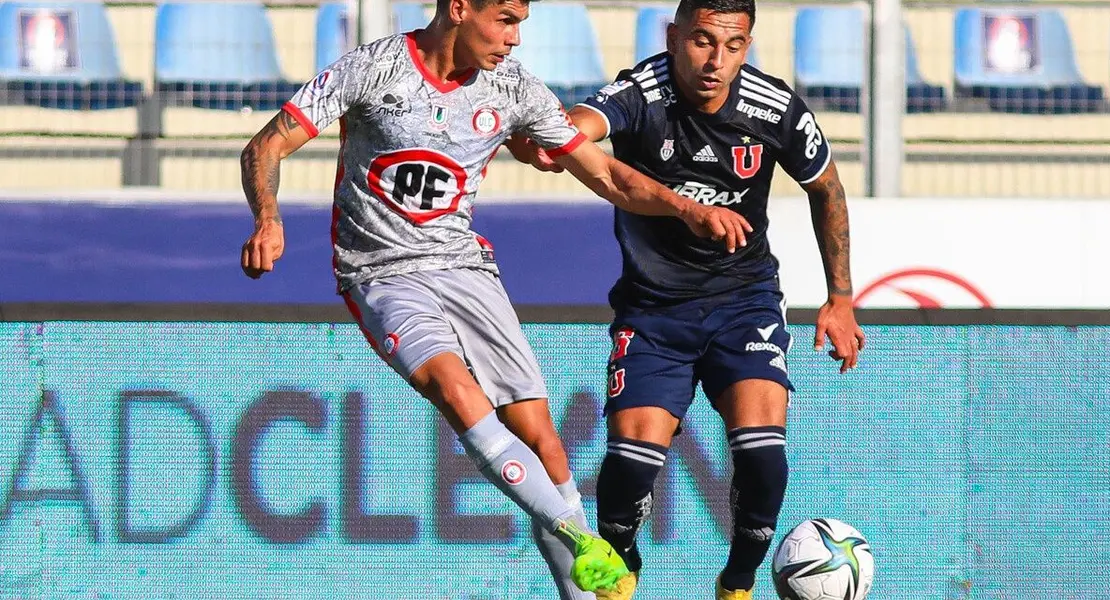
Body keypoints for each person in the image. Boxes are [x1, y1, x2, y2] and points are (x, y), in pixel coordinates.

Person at [236, 0, 753, 596]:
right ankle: (584, 542)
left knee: (545, 443)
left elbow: (606, 176)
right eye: (505, 19)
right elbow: (265, 146)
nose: (514, 38)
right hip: (383, 272)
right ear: (459, 8)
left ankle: (580, 585)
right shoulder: (370, 70)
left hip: (465, 269)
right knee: (457, 393)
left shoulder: (513, 90)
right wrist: (268, 219)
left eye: (521, 24)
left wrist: (687, 208)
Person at [508, 0, 866, 597]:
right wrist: (553, 140)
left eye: (732, 46)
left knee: (762, 456)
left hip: (743, 301)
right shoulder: (640, 93)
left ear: (747, 45)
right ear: (674, 36)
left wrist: (841, 297)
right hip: (653, 311)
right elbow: (583, 125)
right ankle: (623, 576)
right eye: (702, 41)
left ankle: (739, 581)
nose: (715, 61)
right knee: (630, 468)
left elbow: (825, 188)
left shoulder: (775, 108)